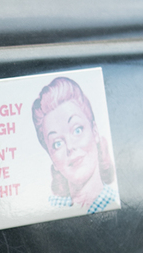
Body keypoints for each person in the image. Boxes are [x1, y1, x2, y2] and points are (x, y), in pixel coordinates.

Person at [33, 76, 118, 214]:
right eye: (57, 143)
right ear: (51, 158)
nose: (70, 147)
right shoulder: (47, 210)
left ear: (95, 132)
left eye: (77, 130)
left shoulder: (116, 202)